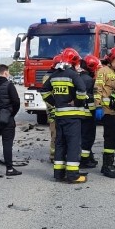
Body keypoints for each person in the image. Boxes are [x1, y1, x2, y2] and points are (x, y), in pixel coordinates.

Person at [41, 48, 88, 183]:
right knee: (73, 144)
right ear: (74, 61)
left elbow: (44, 90)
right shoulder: (73, 75)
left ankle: (59, 173)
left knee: (60, 144)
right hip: (73, 116)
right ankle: (73, 175)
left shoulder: (55, 75)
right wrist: (77, 101)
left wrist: (55, 102)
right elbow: (82, 90)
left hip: (59, 115)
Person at [95, 47, 115, 178]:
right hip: (107, 112)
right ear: (111, 59)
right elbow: (98, 89)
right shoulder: (103, 71)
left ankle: (110, 164)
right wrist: (98, 106)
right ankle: (106, 166)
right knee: (109, 138)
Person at [79, 55, 101, 169]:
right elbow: (92, 97)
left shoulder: (79, 78)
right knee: (88, 139)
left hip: (79, 114)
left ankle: (88, 157)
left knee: (81, 138)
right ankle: (84, 161)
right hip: (88, 115)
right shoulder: (89, 81)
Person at [42, 54, 62, 162]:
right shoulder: (49, 77)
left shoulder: (54, 75)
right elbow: (47, 94)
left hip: (57, 108)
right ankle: (53, 156)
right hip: (53, 109)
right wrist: (54, 107)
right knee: (55, 133)